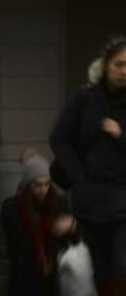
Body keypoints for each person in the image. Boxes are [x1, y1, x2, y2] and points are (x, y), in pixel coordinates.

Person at [50, 36, 126, 296]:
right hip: (88, 204)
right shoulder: (85, 98)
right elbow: (59, 139)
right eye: (119, 64)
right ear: (105, 65)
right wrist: (78, 175)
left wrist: (121, 135)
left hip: (122, 205)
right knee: (89, 272)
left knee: (120, 270)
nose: (124, 71)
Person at [0, 152, 74, 296]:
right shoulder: (12, 210)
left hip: (52, 279)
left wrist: (72, 225)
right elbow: (3, 254)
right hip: (24, 278)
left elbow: (77, 237)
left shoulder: (59, 205)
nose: (43, 189)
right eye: (38, 185)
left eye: (46, 184)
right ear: (28, 185)